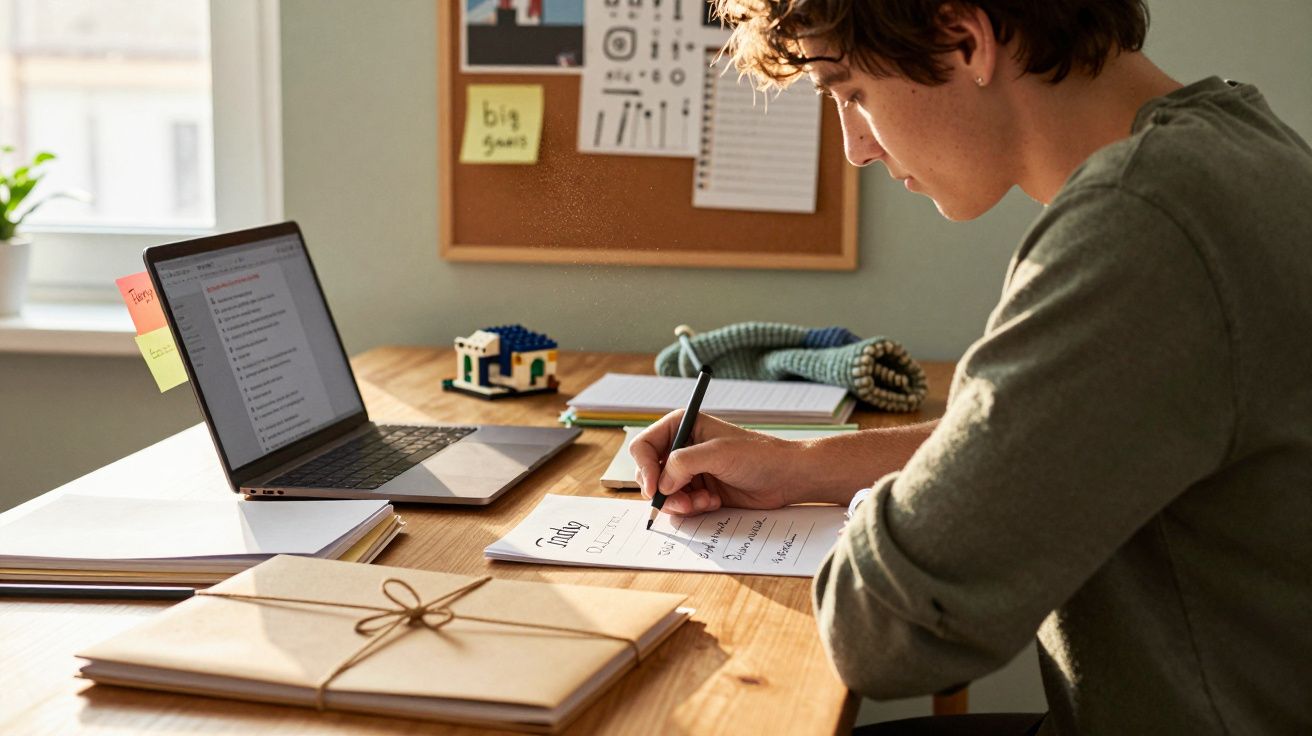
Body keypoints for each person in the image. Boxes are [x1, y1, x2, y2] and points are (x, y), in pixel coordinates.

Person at [631, 1, 1312, 733]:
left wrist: (897, 516)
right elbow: (1064, 446)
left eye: (852, 93)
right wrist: (803, 467)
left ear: (965, 38)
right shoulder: (1237, 144)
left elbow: (887, 631)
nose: (855, 147)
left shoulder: (1142, 225)